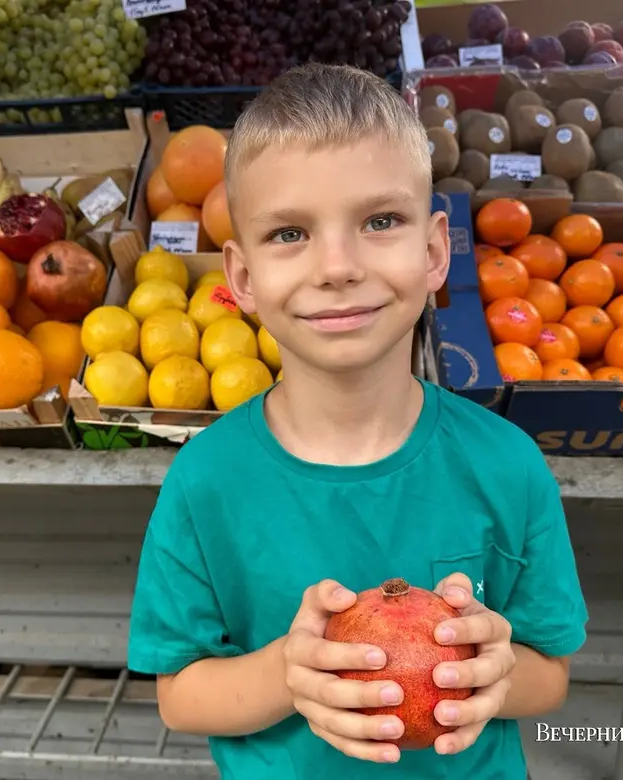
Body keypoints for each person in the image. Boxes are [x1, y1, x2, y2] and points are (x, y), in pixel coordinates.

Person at [127, 63, 588, 779]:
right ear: (241, 279)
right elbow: (180, 697)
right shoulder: (205, 481)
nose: (337, 266)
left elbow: (549, 674)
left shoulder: (507, 464)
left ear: (435, 250)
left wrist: (495, 674)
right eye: (289, 233)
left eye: (380, 221)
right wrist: (290, 671)